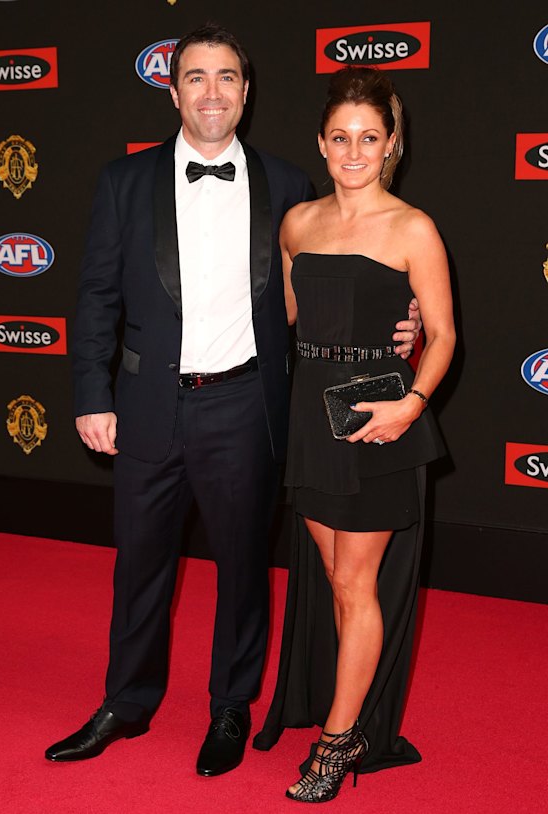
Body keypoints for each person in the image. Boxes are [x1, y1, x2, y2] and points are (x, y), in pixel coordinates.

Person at [45, 28, 420, 776]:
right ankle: (126, 701)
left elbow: (330, 287)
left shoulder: (287, 186)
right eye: (195, 77)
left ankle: (229, 705)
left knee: (244, 569)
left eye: (226, 78)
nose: (211, 92)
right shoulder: (124, 182)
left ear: (247, 94)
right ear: (172, 89)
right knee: (139, 567)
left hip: (246, 407)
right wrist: (92, 393)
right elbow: (94, 298)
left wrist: (400, 328)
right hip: (148, 403)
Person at [253, 67, 455, 802]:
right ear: (321, 141)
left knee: (352, 580)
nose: (353, 151)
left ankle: (339, 740)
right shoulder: (299, 223)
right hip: (313, 412)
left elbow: (443, 336)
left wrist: (413, 401)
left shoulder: (413, 227)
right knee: (338, 584)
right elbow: (289, 321)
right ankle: (350, 712)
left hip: (377, 415)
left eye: (369, 138)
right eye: (340, 138)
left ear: (391, 144)